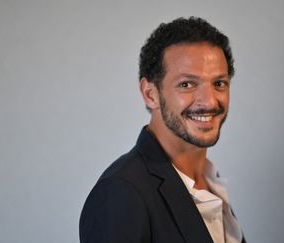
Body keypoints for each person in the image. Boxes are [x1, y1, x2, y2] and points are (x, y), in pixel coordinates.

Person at [79, 17, 245, 243]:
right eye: (187, 84)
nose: (209, 101)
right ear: (150, 94)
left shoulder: (210, 182)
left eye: (219, 83)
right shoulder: (121, 194)